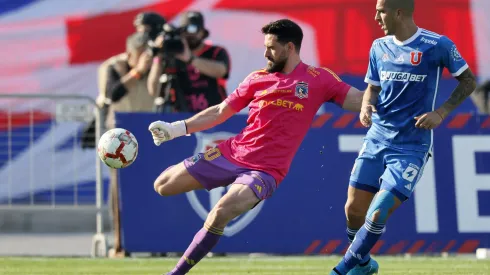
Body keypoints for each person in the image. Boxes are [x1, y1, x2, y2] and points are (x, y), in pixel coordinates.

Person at [148, 19, 364, 275]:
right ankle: (220, 180)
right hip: (230, 153)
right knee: (162, 186)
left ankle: (175, 273)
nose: (265, 53)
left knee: (221, 212)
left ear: (290, 47)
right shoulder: (256, 79)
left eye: (272, 47)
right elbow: (219, 111)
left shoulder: (319, 79)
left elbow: (361, 101)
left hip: (265, 171)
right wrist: (177, 129)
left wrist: (396, 92)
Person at [330, 0, 477, 274]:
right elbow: (373, 87)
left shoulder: (437, 44)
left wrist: (442, 113)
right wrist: (365, 105)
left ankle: (341, 269)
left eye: (380, 11)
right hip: (377, 139)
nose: (376, 17)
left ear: (399, 12)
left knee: (378, 211)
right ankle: (363, 265)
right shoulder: (379, 46)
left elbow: (468, 80)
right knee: (353, 210)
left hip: (412, 145)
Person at [148, 11, 231, 113]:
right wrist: (159, 55)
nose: (190, 34)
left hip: (214, 117)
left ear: (202, 33)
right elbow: (153, 90)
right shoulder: (172, 56)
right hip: (181, 121)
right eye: (185, 30)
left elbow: (221, 71)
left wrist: (190, 59)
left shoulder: (216, 52)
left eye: (194, 29)